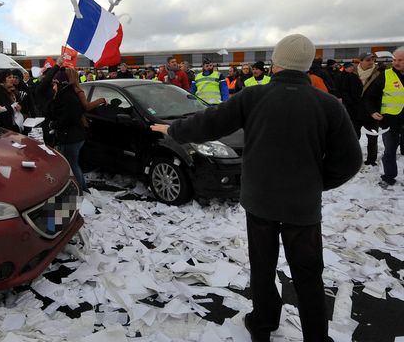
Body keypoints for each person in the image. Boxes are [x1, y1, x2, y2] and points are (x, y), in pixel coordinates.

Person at [151, 34, 361, 342]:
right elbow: (350, 160)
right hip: (301, 206)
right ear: (306, 66)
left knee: (262, 267)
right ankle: (316, 337)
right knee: (308, 274)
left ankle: (263, 324)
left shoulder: (254, 97)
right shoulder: (327, 105)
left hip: (260, 202)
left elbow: (210, 122)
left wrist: (173, 130)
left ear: (276, 63)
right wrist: (315, 182)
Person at [363, 47, 404, 186]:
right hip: (391, 121)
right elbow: (370, 96)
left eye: (400, 60)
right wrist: (373, 111)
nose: (396, 63)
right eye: (394, 60)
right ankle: (389, 176)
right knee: (390, 151)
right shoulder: (386, 75)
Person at [46, 68, 87, 192]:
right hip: (71, 136)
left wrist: (53, 125)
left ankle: (81, 189)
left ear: (61, 83)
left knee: (72, 165)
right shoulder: (63, 94)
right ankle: (81, 188)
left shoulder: (68, 97)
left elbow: (68, 119)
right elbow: (53, 111)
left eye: (54, 84)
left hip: (71, 138)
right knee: (73, 164)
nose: (53, 86)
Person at [357, 52, 383, 166]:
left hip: (372, 113)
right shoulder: (351, 73)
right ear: (361, 61)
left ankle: (371, 161)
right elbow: (344, 91)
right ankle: (353, 157)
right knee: (353, 138)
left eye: (372, 60)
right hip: (355, 112)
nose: (371, 62)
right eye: (368, 60)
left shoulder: (380, 74)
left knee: (373, 138)